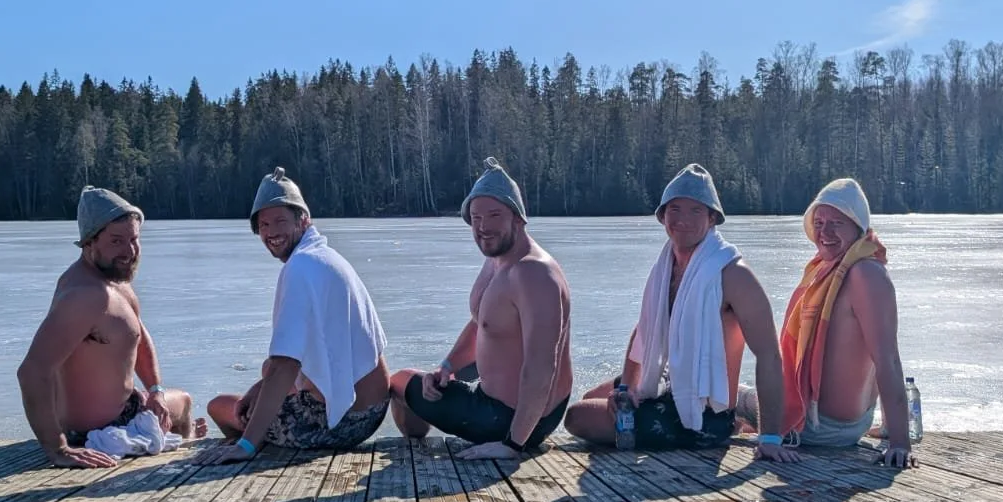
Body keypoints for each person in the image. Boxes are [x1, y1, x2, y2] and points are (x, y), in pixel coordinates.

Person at [564, 164, 799, 462]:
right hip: (670, 385)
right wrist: (627, 387)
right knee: (594, 399)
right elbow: (644, 330)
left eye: (695, 211)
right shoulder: (666, 268)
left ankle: (732, 423)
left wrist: (770, 438)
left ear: (712, 218)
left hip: (704, 416)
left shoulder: (733, 275)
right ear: (663, 216)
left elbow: (769, 353)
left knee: (578, 417)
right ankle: (740, 421)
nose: (682, 220)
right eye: (675, 209)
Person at [199, 168, 391, 465]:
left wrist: (247, 444)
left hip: (344, 421)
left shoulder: (301, 267)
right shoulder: (323, 256)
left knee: (221, 407)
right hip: (372, 408)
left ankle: (249, 449)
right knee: (263, 376)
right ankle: (257, 436)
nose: (271, 232)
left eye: (280, 221)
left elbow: (286, 363)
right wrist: (260, 388)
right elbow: (297, 359)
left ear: (304, 220)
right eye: (263, 224)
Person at [389, 157, 572, 461]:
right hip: (503, 407)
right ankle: (423, 438)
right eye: (476, 218)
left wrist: (512, 444)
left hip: (511, 420)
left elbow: (542, 367)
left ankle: (412, 455)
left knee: (398, 381)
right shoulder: (499, 257)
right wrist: (447, 367)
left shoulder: (534, 274)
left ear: (518, 218)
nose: (483, 227)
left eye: (494, 215)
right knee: (423, 382)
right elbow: (483, 323)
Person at [17, 186, 200, 469]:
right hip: (96, 433)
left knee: (171, 401)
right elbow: (32, 371)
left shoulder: (115, 283)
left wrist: (155, 390)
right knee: (185, 403)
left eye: (134, 239)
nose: (130, 251)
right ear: (90, 242)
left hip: (127, 409)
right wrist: (57, 447)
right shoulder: (84, 295)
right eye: (116, 241)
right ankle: (182, 461)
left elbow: (138, 337)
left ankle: (174, 442)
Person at [740, 177, 915, 468]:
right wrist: (885, 429)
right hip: (829, 421)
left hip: (823, 426)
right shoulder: (828, 270)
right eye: (819, 223)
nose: (825, 232)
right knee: (750, 400)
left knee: (731, 397)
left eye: (837, 223)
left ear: (858, 226)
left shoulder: (865, 274)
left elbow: (887, 358)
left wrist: (899, 442)